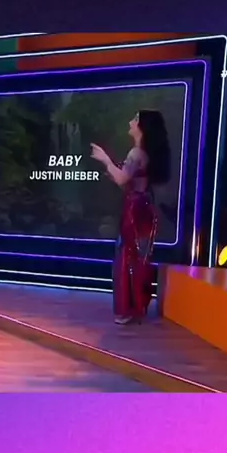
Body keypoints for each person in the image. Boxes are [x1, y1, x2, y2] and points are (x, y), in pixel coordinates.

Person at [91, 109, 171, 324]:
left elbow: (122, 179)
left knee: (128, 255)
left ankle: (127, 308)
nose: (130, 122)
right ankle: (136, 306)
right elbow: (129, 180)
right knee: (138, 256)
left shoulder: (136, 153)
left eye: (135, 119)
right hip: (143, 206)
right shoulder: (145, 153)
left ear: (142, 127)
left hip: (136, 210)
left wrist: (105, 160)